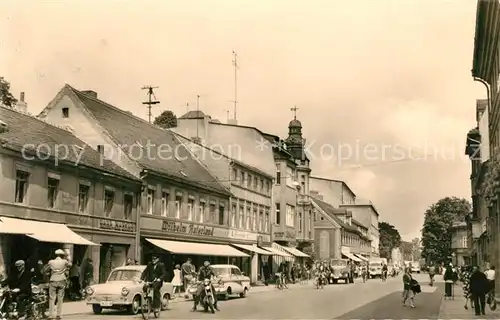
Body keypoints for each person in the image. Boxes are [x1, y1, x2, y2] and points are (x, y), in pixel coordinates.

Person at [47, 249, 72, 320]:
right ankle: (59, 314)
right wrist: (68, 256)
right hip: (62, 280)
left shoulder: (51, 262)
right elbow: (70, 264)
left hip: (53, 279)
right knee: (60, 298)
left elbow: (46, 270)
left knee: (52, 298)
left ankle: (51, 315)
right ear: (62, 255)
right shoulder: (64, 262)